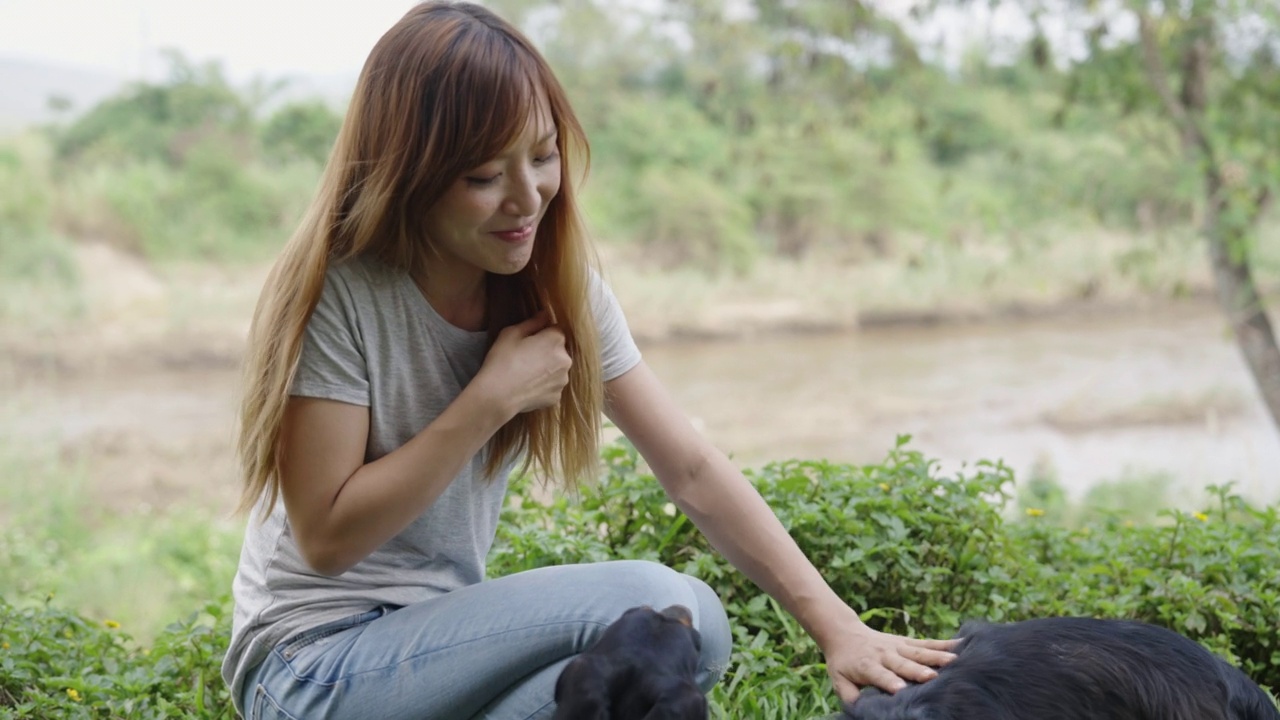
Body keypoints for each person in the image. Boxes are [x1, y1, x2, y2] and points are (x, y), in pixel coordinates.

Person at [221, 3, 956, 719]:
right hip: (309, 671)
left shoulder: (555, 289)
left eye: (542, 156)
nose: (527, 197)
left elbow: (691, 469)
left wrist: (840, 629)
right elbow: (324, 538)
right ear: (412, 175)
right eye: (484, 175)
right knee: (660, 613)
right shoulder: (342, 294)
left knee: (681, 640)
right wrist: (488, 402)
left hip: (434, 656)